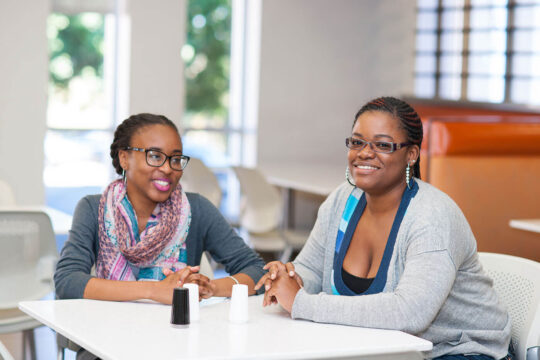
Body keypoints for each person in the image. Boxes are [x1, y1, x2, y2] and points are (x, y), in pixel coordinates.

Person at [255, 97, 512, 360]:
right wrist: (290, 277)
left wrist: (300, 302)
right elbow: (310, 268)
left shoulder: (432, 216)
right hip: (383, 349)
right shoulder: (343, 200)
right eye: (357, 142)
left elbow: (409, 312)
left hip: (457, 352)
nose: (365, 152)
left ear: (411, 154)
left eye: (382, 145)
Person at [55, 113, 265, 304]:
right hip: (103, 335)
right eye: (155, 156)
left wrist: (208, 287)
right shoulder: (94, 208)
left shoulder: (196, 209)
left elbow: (256, 271)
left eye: (175, 159)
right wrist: (154, 290)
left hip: (178, 336)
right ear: (124, 158)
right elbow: (68, 281)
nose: (167, 168)